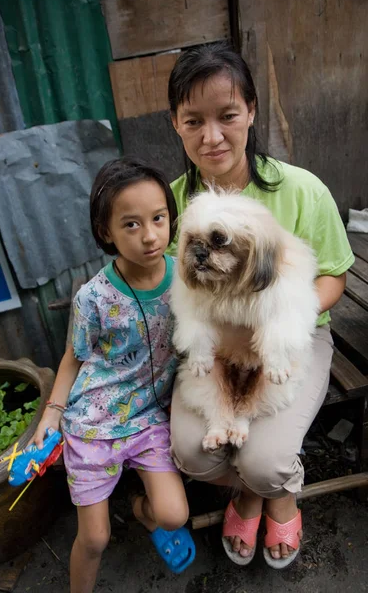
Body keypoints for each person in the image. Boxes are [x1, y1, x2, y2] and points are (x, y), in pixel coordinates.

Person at [166, 42, 354, 569]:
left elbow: (334, 277)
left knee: (267, 463)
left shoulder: (302, 190)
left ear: (251, 109)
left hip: (291, 333)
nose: (212, 136)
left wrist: (277, 324)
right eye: (193, 120)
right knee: (192, 454)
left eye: (227, 115)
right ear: (175, 124)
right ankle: (250, 488)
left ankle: (271, 493)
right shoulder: (172, 201)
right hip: (210, 338)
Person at [32, 157, 194, 593]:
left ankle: (143, 513)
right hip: (94, 423)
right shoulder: (94, 298)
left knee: (174, 515)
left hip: (149, 419)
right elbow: (73, 357)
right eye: (131, 224)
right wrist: (52, 415)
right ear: (106, 232)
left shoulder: (187, 275)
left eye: (158, 218)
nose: (150, 235)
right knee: (95, 537)